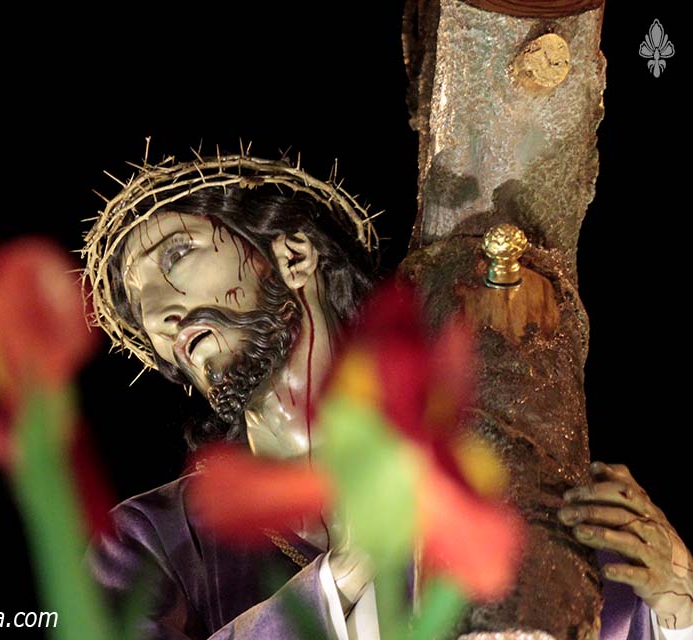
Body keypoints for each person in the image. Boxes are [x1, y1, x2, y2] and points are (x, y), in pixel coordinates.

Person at [80, 153, 692, 639]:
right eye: (140, 302)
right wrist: (340, 578)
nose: (158, 312)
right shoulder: (150, 541)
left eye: (178, 254)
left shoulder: (481, 477)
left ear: (293, 255)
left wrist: (675, 605)